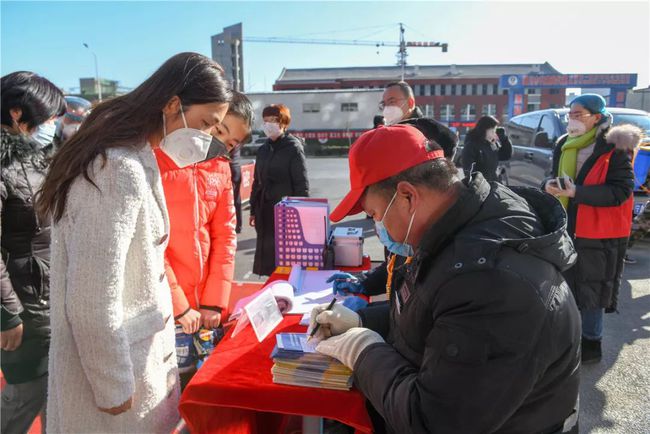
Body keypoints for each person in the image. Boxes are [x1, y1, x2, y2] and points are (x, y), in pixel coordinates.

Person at [310, 124, 581, 433]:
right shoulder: (454, 232)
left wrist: (362, 352)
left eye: (374, 215)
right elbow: (431, 313)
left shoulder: (492, 281)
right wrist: (361, 322)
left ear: (407, 197)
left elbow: (432, 421)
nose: (377, 228)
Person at [36, 52, 232, 432]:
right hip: (115, 383)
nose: (206, 138)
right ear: (173, 105)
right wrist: (112, 386)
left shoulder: (134, 157)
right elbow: (92, 295)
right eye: (206, 124)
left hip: (132, 364)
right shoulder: (117, 168)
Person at [156, 91, 252, 374]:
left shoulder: (221, 169)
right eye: (218, 129)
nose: (219, 142)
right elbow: (152, 245)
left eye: (231, 142)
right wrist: (180, 307)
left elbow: (225, 237)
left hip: (206, 310)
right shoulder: (157, 162)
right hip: (167, 306)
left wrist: (214, 302)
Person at [543, 94, 640, 364]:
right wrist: (549, 187)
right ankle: (566, 342)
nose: (571, 119)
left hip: (599, 230)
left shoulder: (615, 146)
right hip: (567, 224)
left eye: (578, 114)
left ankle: (591, 345)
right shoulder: (564, 143)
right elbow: (553, 175)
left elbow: (621, 191)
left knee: (592, 290)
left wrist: (578, 192)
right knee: (566, 286)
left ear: (597, 117)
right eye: (569, 114)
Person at [1, 71, 66, 434]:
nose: (52, 126)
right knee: (25, 394)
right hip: (21, 304)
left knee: (50, 393)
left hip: (46, 294)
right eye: (48, 117)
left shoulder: (37, 158)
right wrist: (7, 313)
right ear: (16, 113)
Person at [250, 104, 309, 276]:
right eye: (266, 120)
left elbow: (301, 183)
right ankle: (271, 287)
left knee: (285, 255)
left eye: (273, 120)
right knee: (267, 254)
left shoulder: (293, 148)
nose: (269, 124)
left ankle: (286, 288)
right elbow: (256, 181)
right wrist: (253, 209)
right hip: (265, 209)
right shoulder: (263, 149)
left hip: (286, 210)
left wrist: (303, 212)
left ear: (283, 123)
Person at [379, 81, 458, 159]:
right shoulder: (389, 130)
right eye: (384, 104)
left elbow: (450, 140)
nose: (387, 108)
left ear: (410, 103)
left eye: (392, 101)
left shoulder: (428, 128)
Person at [461, 115, 513, 182]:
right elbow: (469, 172)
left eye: (495, 131)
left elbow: (506, 155)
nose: (494, 134)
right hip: (481, 188)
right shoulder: (471, 146)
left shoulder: (492, 144)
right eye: (492, 131)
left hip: (494, 185)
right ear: (484, 130)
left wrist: (505, 139)